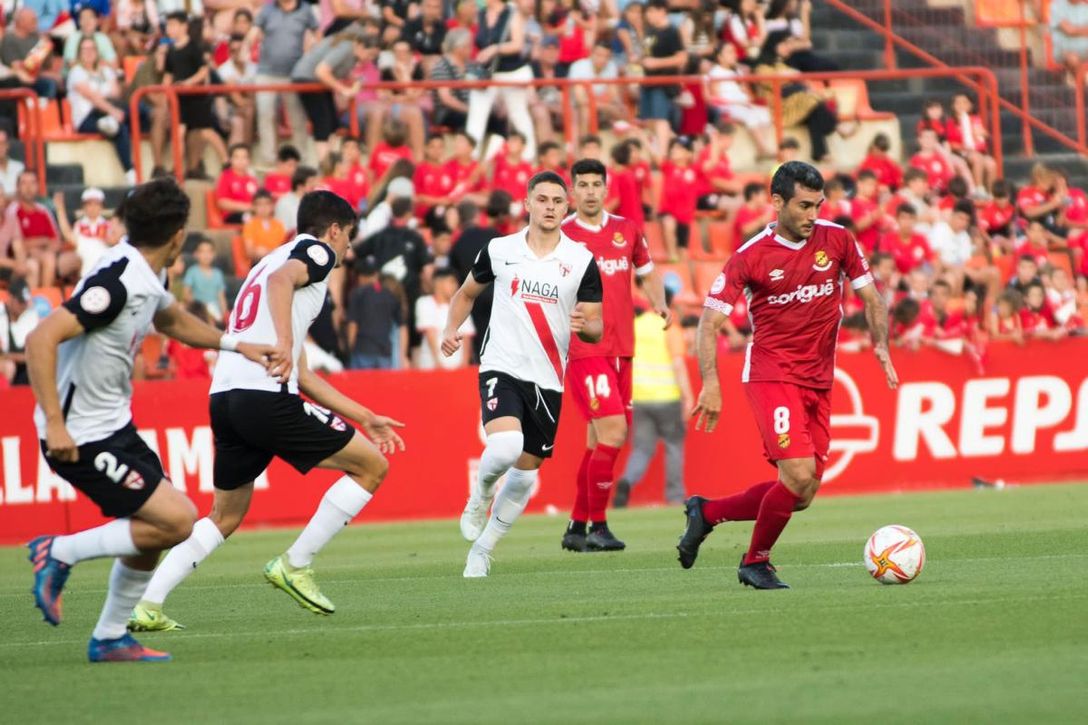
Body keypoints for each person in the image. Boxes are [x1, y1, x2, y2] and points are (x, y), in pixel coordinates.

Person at [128, 191, 406, 632]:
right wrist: (281, 340)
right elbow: (283, 296)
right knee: (371, 467)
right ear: (333, 230)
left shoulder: (268, 261)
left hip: (227, 397)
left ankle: (148, 602)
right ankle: (296, 564)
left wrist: (364, 415)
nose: (348, 249)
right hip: (264, 395)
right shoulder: (313, 251)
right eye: (349, 237)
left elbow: (304, 373)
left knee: (224, 516)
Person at [24, 179, 273, 662]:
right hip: (80, 432)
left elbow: (172, 321)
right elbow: (40, 339)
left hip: (114, 425)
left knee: (155, 527)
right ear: (179, 235)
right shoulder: (117, 283)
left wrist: (236, 344)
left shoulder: (146, 272)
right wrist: (55, 423)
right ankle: (58, 552)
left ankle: (111, 637)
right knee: (177, 518)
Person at [677, 161, 898, 589]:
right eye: (803, 205)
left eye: (817, 205)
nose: (812, 214)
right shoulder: (751, 256)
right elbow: (708, 321)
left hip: (818, 378)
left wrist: (881, 344)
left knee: (803, 492)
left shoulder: (838, 239)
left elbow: (872, 298)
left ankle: (706, 513)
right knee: (796, 476)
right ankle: (755, 561)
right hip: (771, 373)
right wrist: (711, 382)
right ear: (776, 202)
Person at [442, 171, 603, 577]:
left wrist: (589, 325)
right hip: (501, 363)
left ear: (566, 208)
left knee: (525, 475)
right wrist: (450, 329)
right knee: (505, 446)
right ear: (527, 204)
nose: (549, 207)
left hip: (548, 377)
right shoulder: (499, 250)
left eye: (556, 201)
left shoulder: (581, 260)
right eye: (542, 199)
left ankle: (483, 548)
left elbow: (598, 326)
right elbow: (465, 294)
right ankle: (479, 495)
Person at [559, 158, 668, 552]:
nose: (589, 191)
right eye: (582, 185)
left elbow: (647, 271)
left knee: (597, 440)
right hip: (587, 348)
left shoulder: (626, 230)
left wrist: (660, 303)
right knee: (615, 433)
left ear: (606, 189)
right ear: (572, 192)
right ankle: (599, 526)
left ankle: (575, 525)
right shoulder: (563, 234)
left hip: (623, 350)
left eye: (595, 184)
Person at [613, 282, 693, 507]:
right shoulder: (670, 328)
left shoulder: (635, 326)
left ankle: (627, 481)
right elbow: (677, 364)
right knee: (673, 445)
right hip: (667, 396)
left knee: (641, 448)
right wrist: (688, 395)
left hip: (639, 397)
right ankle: (675, 497)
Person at [291, 24, 380, 166]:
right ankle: (325, 164)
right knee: (323, 123)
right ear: (360, 46)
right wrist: (343, 89)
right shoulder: (346, 48)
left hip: (318, 83)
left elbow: (338, 72)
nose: (369, 59)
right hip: (307, 80)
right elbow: (321, 71)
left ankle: (330, 161)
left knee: (333, 124)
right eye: (369, 54)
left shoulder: (352, 54)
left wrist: (353, 81)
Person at [465, 0, 537, 161]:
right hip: (488, 73)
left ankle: (528, 158)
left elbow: (517, 44)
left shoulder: (512, 13)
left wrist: (493, 50)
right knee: (476, 114)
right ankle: (470, 159)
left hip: (512, 72)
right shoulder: (481, 14)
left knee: (518, 115)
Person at [250, 0, 318, 167]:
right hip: (266, 72)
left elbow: (317, 34)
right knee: (265, 114)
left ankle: (301, 159)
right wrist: (248, 46)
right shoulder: (267, 9)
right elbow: (253, 32)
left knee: (297, 117)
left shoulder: (306, 10)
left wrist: (312, 53)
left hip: (294, 73)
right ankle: (269, 159)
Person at [163, 11, 228, 180]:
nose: (170, 29)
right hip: (180, 99)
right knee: (179, 132)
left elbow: (203, 70)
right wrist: (165, 90)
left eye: (173, 25)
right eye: (168, 25)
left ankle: (225, 161)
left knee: (206, 131)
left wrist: (189, 83)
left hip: (197, 98)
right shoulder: (170, 50)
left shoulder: (194, 47)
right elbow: (169, 74)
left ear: (184, 26)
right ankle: (176, 167)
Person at [67, 36, 135, 183]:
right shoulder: (76, 72)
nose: (89, 52)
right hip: (87, 117)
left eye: (92, 49)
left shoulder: (105, 71)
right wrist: (112, 110)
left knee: (121, 124)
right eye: (85, 49)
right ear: (79, 53)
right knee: (122, 118)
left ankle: (131, 172)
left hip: (109, 109)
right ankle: (130, 171)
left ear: (97, 51)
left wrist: (109, 106)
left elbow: (116, 93)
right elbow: (92, 97)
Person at [346, 260, 405, 369]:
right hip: (384, 351)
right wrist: (403, 355)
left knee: (361, 385)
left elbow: (352, 324)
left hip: (363, 349)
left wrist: (350, 348)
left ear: (360, 276)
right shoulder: (389, 295)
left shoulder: (357, 293)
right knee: (382, 386)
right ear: (376, 275)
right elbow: (402, 326)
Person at [416, 267, 474, 369]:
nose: (455, 286)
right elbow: (430, 333)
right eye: (451, 282)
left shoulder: (461, 305)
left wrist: (464, 363)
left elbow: (467, 337)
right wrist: (438, 363)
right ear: (439, 283)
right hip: (431, 367)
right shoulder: (425, 302)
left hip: (457, 367)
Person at [182, 238, 228, 321]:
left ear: (214, 254)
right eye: (202, 252)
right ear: (196, 254)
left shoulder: (218, 274)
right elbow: (186, 294)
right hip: (198, 311)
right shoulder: (192, 271)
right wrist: (200, 306)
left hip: (215, 311)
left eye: (209, 252)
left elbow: (221, 297)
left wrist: (225, 315)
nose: (206, 255)